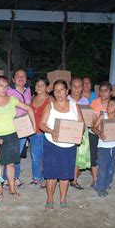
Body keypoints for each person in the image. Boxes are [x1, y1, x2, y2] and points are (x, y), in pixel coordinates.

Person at [0, 76, 36, 200]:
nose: (4, 88)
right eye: (1, 86)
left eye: (6, 86)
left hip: (12, 135)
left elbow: (29, 108)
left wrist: (34, 127)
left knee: (11, 164)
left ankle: (12, 188)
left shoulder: (12, 99)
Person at [39, 80, 84, 210]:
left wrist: (78, 134)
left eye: (61, 90)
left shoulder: (75, 106)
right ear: (53, 92)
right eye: (56, 90)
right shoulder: (50, 106)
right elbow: (42, 124)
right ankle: (50, 198)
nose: (59, 93)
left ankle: (63, 198)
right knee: (51, 174)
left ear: (67, 90)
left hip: (69, 146)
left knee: (65, 175)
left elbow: (82, 124)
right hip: (52, 143)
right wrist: (51, 131)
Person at [91, 97, 115, 197]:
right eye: (108, 104)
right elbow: (93, 128)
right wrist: (100, 133)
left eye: (112, 105)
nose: (109, 106)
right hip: (103, 147)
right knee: (102, 168)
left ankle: (106, 184)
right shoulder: (103, 116)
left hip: (114, 147)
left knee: (111, 169)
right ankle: (100, 188)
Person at [7, 68, 32, 188]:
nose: (21, 78)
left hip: (24, 126)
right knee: (10, 152)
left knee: (17, 153)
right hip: (11, 126)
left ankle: (15, 177)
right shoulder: (8, 91)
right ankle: (7, 178)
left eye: (24, 75)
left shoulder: (28, 91)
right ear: (13, 79)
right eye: (18, 76)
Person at [88, 82, 113, 188]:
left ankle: (104, 179)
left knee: (106, 158)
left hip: (108, 135)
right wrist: (98, 130)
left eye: (105, 90)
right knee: (94, 158)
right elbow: (91, 120)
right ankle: (95, 180)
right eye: (101, 90)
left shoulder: (114, 103)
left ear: (111, 92)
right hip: (94, 133)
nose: (103, 93)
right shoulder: (95, 102)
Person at [30, 75, 53, 188]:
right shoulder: (32, 97)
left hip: (46, 133)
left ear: (47, 87)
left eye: (42, 85)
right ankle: (36, 177)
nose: (39, 87)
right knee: (35, 156)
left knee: (46, 156)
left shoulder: (50, 99)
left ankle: (45, 178)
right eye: (37, 85)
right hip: (33, 133)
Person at [68, 78, 90, 190]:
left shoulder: (86, 101)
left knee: (79, 157)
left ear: (82, 88)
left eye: (79, 86)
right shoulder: (66, 99)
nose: (77, 89)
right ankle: (64, 178)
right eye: (74, 86)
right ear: (70, 87)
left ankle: (74, 180)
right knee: (67, 156)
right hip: (67, 131)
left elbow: (89, 118)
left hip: (82, 132)